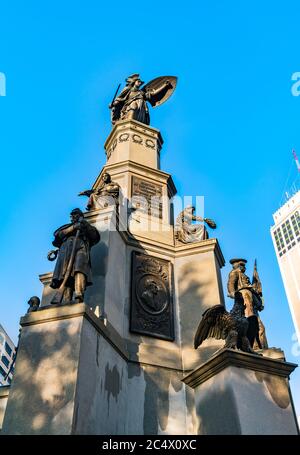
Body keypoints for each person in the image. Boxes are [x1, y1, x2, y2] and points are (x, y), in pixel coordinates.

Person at [48, 208, 100, 303]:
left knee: (80, 268)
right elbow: (58, 235)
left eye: (75, 214)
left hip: (81, 247)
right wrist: (73, 227)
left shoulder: (86, 226)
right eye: (71, 215)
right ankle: (66, 299)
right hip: (66, 250)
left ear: (80, 215)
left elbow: (95, 236)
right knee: (65, 274)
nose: (72, 216)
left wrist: (85, 225)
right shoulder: (67, 227)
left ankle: (79, 294)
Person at [227, 258, 264, 347]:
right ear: (238, 265)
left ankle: (261, 345)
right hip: (244, 297)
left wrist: (258, 303)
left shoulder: (243, 275)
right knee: (249, 322)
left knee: (259, 326)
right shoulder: (234, 273)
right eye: (242, 265)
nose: (244, 267)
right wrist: (237, 296)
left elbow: (252, 290)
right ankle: (253, 345)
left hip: (250, 299)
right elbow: (230, 286)